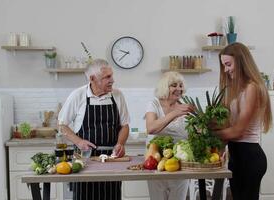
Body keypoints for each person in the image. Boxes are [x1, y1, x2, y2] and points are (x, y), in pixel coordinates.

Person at [58, 58, 130, 200]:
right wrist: (79, 142)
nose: (112, 80)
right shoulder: (78, 95)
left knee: (111, 196)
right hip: (84, 160)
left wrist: (120, 143)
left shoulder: (117, 95)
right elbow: (61, 125)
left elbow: (125, 126)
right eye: (107, 77)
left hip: (111, 159)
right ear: (92, 78)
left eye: (112, 75)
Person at [213, 42, 272, 200]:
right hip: (237, 157)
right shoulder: (237, 89)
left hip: (250, 158)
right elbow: (229, 127)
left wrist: (209, 133)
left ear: (241, 62)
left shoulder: (252, 88)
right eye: (223, 65)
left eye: (228, 64)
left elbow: (237, 131)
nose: (226, 70)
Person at [145, 71, 193, 200]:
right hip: (156, 162)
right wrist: (175, 113)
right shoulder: (154, 104)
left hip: (180, 163)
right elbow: (151, 128)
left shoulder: (186, 106)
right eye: (174, 85)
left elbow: (194, 131)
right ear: (165, 87)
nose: (179, 89)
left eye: (181, 85)